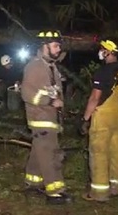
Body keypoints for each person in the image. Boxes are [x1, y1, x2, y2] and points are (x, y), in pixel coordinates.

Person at [20, 30, 72, 205]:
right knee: (50, 155)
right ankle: (55, 192)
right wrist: (50, 101)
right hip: (40, 117)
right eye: (55, 45)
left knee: (39, 151)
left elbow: (57, 94)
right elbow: (27, 94)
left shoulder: (51, 67)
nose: (58, 49)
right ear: (44, 46)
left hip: (50, 118)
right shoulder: (34, 66)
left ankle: (32, 182)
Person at [81, 37, 118, 201]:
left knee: (99, 153)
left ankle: (99, 193)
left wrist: (86, 118)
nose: (100, 51)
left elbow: (95, 98)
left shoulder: (102, 71)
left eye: (103, 48)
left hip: (103, 116)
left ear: (109, 51)